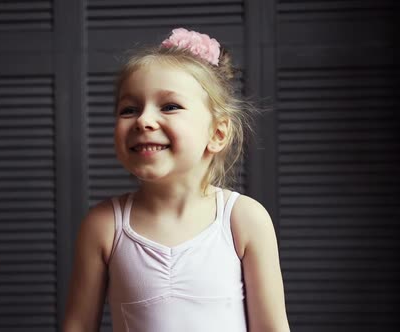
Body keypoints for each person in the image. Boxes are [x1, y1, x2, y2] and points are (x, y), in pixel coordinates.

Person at [63, 28, 291, 332]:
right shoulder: (104, 226)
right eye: (129, 109)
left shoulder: (244, 220)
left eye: (169, 106)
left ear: (217, 133)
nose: (144, 120)